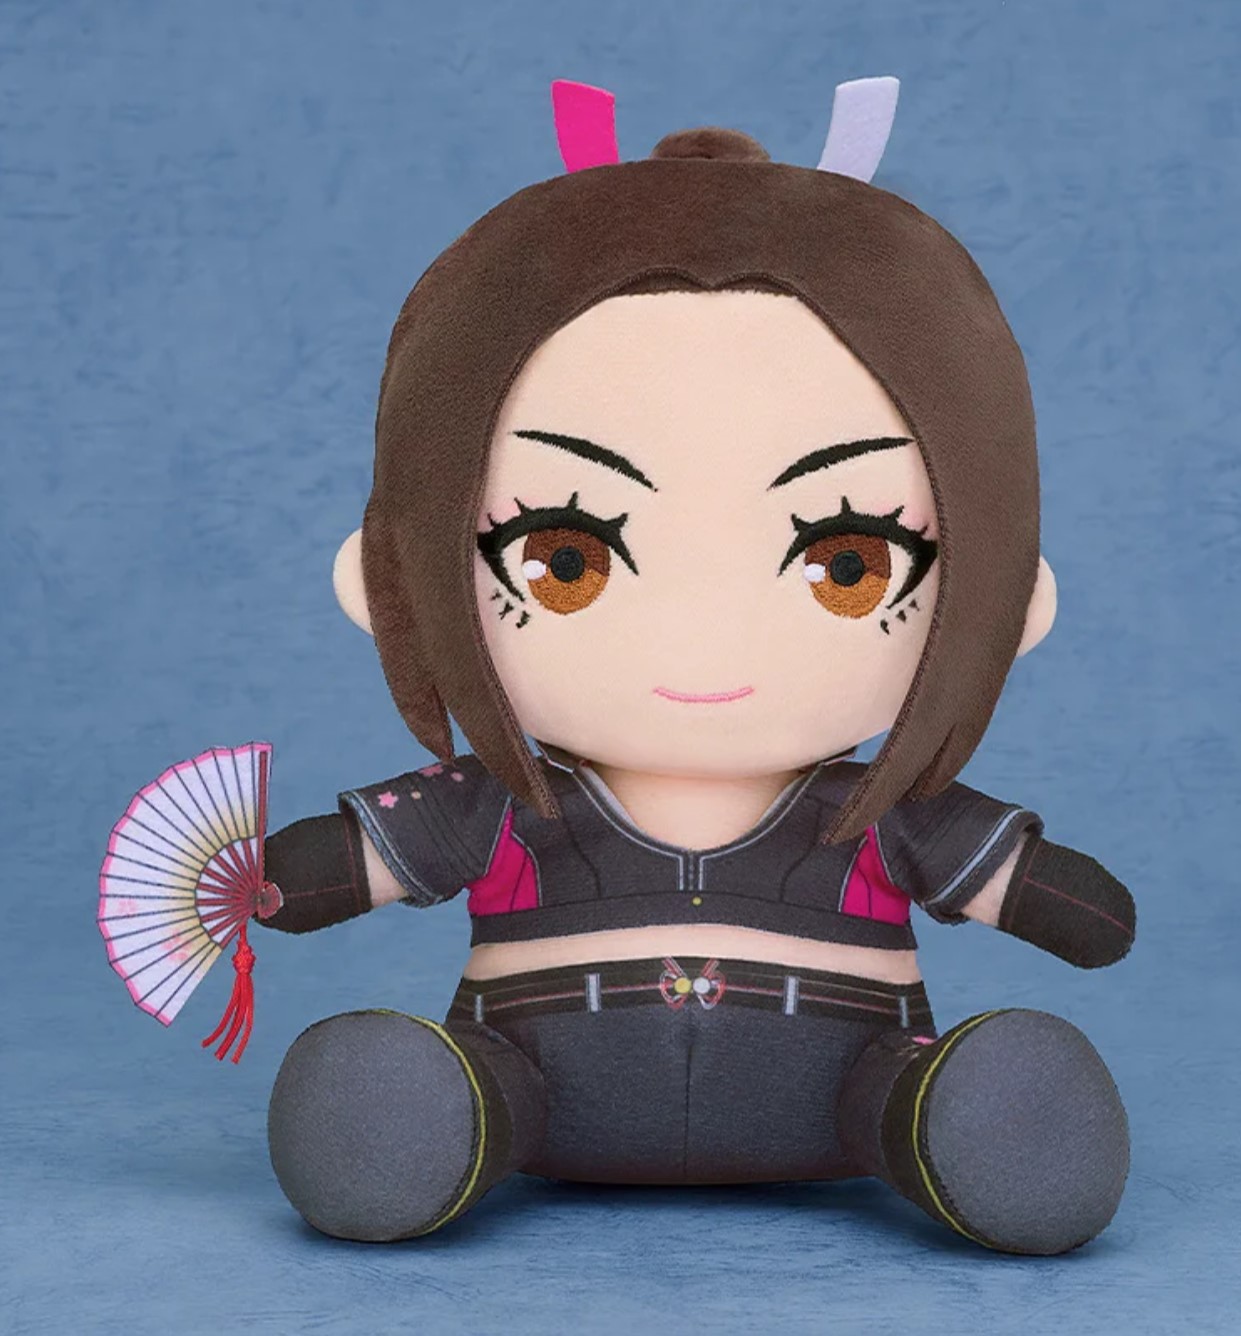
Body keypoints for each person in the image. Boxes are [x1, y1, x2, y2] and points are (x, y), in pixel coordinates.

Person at [258, 79, 1135, 1255]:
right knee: (414, 1098)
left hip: (844, 1089)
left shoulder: (875, 821)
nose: (702, 632)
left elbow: (1080, 912)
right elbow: (326, 871)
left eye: (848, 563)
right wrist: (254, 884)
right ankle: (434, 1118)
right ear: (395, 581)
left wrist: (1056, 898)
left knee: (920, 1089)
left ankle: (945, 1119)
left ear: (1002, 596)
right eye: (564, 556)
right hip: (537, 1081)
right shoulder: (507, 808)